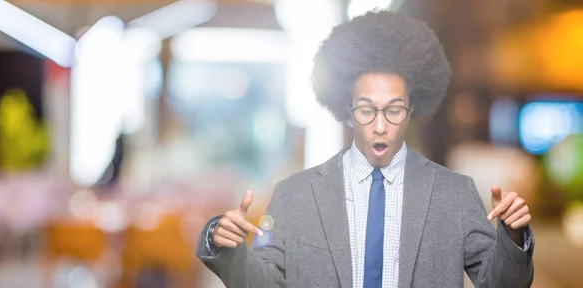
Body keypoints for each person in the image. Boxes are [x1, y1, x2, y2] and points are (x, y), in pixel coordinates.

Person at [195, 10, 534, 288]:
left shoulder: (454, 195)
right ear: (347, 109)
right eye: (367, 109)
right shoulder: (292, 196)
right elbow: (263, 281)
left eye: (394, 109)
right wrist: (227, 244)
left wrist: (512, 234)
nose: (381, 125)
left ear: (412, 109)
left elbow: (500, 284)